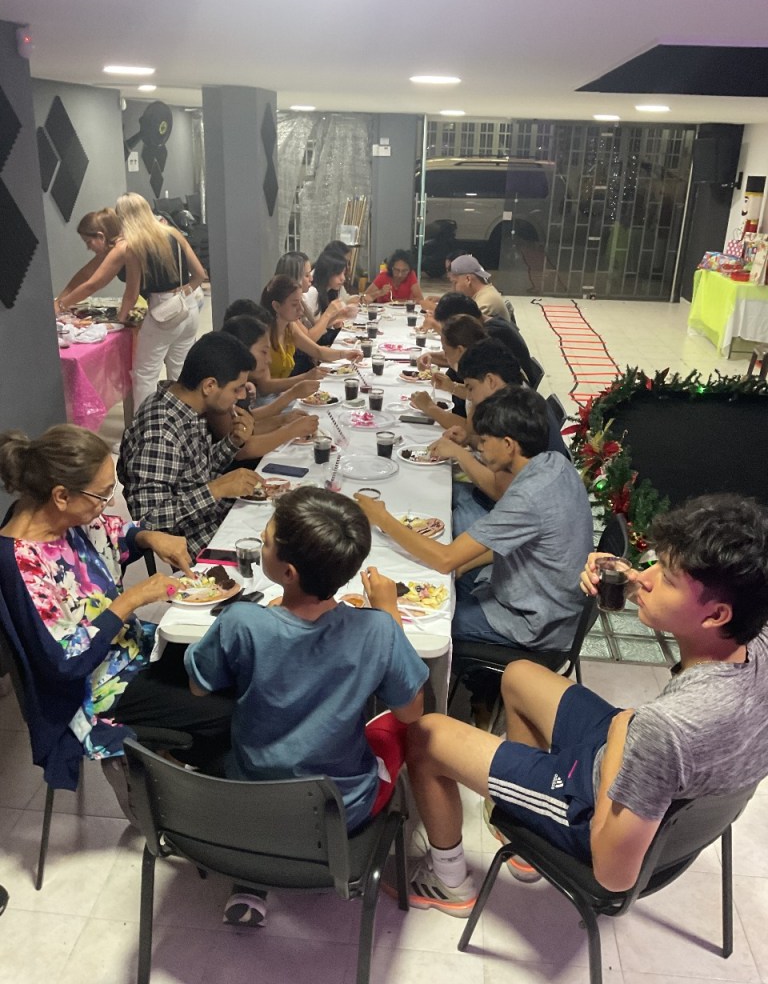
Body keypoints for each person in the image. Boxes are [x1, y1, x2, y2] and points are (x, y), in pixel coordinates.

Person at [396, 493, 768, 916]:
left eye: (666, 578)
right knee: (518, 675)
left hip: (595, 812)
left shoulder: (665, 730)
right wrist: (627, 582)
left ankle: (447, 881)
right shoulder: (753, 636)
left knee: (426, 735)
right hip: (630, 765)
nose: (646, 577)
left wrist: (624, 730)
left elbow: (613, 876)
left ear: (716, 615)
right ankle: (523, 835)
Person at [185, 486, 428, 925]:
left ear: (289, 572)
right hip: (340, 809)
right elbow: (411, 712)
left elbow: (198, 687)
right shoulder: (377, 630)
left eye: (265, 542)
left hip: (249, 798)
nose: (261, 546)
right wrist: (388, 611)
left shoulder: (242, 622)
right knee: (398, 728)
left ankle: (252, 876)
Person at [0, 426, 235, 817]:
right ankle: (190, 812)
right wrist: (130, 600)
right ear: (61, 495)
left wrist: (148, 537)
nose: (108, 503)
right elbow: (65, 664)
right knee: (225, 714)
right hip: (92, 689)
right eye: (102, 494)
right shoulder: (21, 564)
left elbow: (109, 530)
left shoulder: (60, 517)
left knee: (230, 668)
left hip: (129, 650)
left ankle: (190, 785)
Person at [355, 386, 592, 654]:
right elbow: (511, 542)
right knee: (435, 581)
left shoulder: (528, 496)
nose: (479, 447)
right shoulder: (555, 462)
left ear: (508, 445)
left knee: (421, 629)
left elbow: (445, 559)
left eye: (485, 441)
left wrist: (382, 518)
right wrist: (464, 564)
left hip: (534, 623)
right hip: (543, 598)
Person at [118, 331, 263, 558]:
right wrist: (216, 489)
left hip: (215, 518)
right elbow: (146, 522)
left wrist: (233, 442)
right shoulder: (160, 433)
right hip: (199, 542)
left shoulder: (184, 407)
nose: (242, 395)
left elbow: (193, 474)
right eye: (237, 388)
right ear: (209, 385)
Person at [115, 193, 208, 408]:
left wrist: (120, 319)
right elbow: (200, 274)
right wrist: (184, 291)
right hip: (188, 306)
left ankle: (145, 423)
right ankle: (184, 417)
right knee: (181, 371)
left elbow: (131, 293)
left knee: (145, 374)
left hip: (162, 311)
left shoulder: (135, 246)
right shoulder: (173, 233)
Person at [211, 314, 319, 464]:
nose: (269, 360)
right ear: (243, 349)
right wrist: (289, 430)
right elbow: (242, 448)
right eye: (264, 352)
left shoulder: (240, 382)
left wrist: (283, 420)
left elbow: (249, 425)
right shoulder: (221, 388)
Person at [255, 275, 361, 396]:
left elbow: (317, 351)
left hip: (283, 394)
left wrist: (345, 354)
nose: (300, 309)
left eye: (300, 302)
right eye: (294, 304)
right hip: (266, 400)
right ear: (276, 306)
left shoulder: (290, 326)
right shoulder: (263, 334)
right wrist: (305, 377)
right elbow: (265, 386)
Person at [419, 292, 536, 396]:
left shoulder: (490, 338)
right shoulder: (488, 326)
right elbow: (454, 354)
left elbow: (475, 396)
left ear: (462, 321)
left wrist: (432, 406)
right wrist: (431, 356)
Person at [54, 209, 139, 319]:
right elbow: (84, 275)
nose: (88, 248)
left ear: (101, 236)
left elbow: (93, 285)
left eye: (88, 242)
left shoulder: (122, 248)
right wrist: (59, 300)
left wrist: (61, 305)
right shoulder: (109, 249)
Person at [449, 255, 512, 323]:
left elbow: (462, 328)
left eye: (455, 282)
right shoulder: (486, 293)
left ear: (468, 279)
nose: (453, 289)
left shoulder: (485, 303)